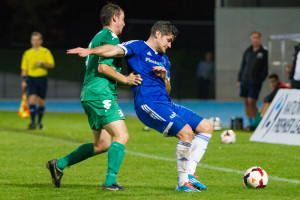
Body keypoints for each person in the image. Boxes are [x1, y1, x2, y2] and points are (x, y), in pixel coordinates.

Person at [68, 21, 214, 192]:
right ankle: (183, 183)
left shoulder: (164, 60)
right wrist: (90, 51)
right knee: (187, 133)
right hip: (148, 104)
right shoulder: (137, 47)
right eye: (168, 40)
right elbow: (114, 50)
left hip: (166, 103)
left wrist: (165, 77)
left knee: (206, 127)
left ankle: (189, 174)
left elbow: (168, 90)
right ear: (158, 34)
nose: (170, 45)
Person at [46, 4, 142, 191]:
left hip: (90, 94)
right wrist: (126, 79)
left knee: (102, 144)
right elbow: (103, 67)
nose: (124, 23)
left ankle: (59, 165)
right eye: (122, 19)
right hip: (100, 93)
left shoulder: (97, 37)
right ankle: (110, 182)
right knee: (122, 135)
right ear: (114, 18)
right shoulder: (110, 37)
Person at [21, 32, 55, 129]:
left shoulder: (45, 52)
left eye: (37, 40)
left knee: (40, 102)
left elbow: (51, 64)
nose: (35, 42)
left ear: (41, 41)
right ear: (31, 41)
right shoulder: (27, 53)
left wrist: (42, 64)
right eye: (33, 39)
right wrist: (23, 80)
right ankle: (32, 123)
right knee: (31, 100)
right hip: (31, 79)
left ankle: (39, 123)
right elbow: (24, 69)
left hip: (42, 79)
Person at [236, 31, 268, 127]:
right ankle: (250, 121)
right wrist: (239, 79)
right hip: (245, 79)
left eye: (257, 38)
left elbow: (265, 68)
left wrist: (260, 79)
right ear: (251, 39)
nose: (255, 39)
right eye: (254, 37)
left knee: (251, 101)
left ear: (260, 39)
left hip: (255, 81)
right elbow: (243, 66)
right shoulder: (247, 51)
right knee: (246, 101)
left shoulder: (264, 52)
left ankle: (257, 120)